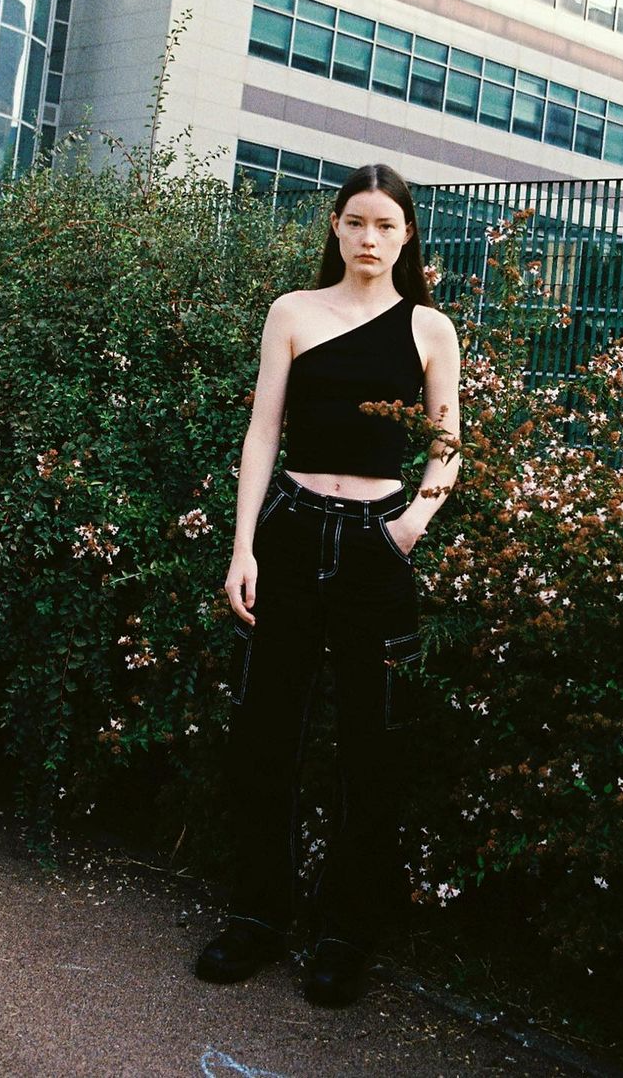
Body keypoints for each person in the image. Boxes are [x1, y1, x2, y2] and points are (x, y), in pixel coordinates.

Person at [194, 162, 461, 1006]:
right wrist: (243, 547)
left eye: (386, 225)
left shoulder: (430, 328)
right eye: (356, 222)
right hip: (290, 535)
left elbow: (447, 446)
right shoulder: (293, 312)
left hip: (377, 547)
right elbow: (262, 431)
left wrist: (408, 528)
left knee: (369, 747)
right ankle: (257, 917)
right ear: (336, 228)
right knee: (265, 735)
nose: (369, 238)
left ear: (407, 235)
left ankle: (346, 935)